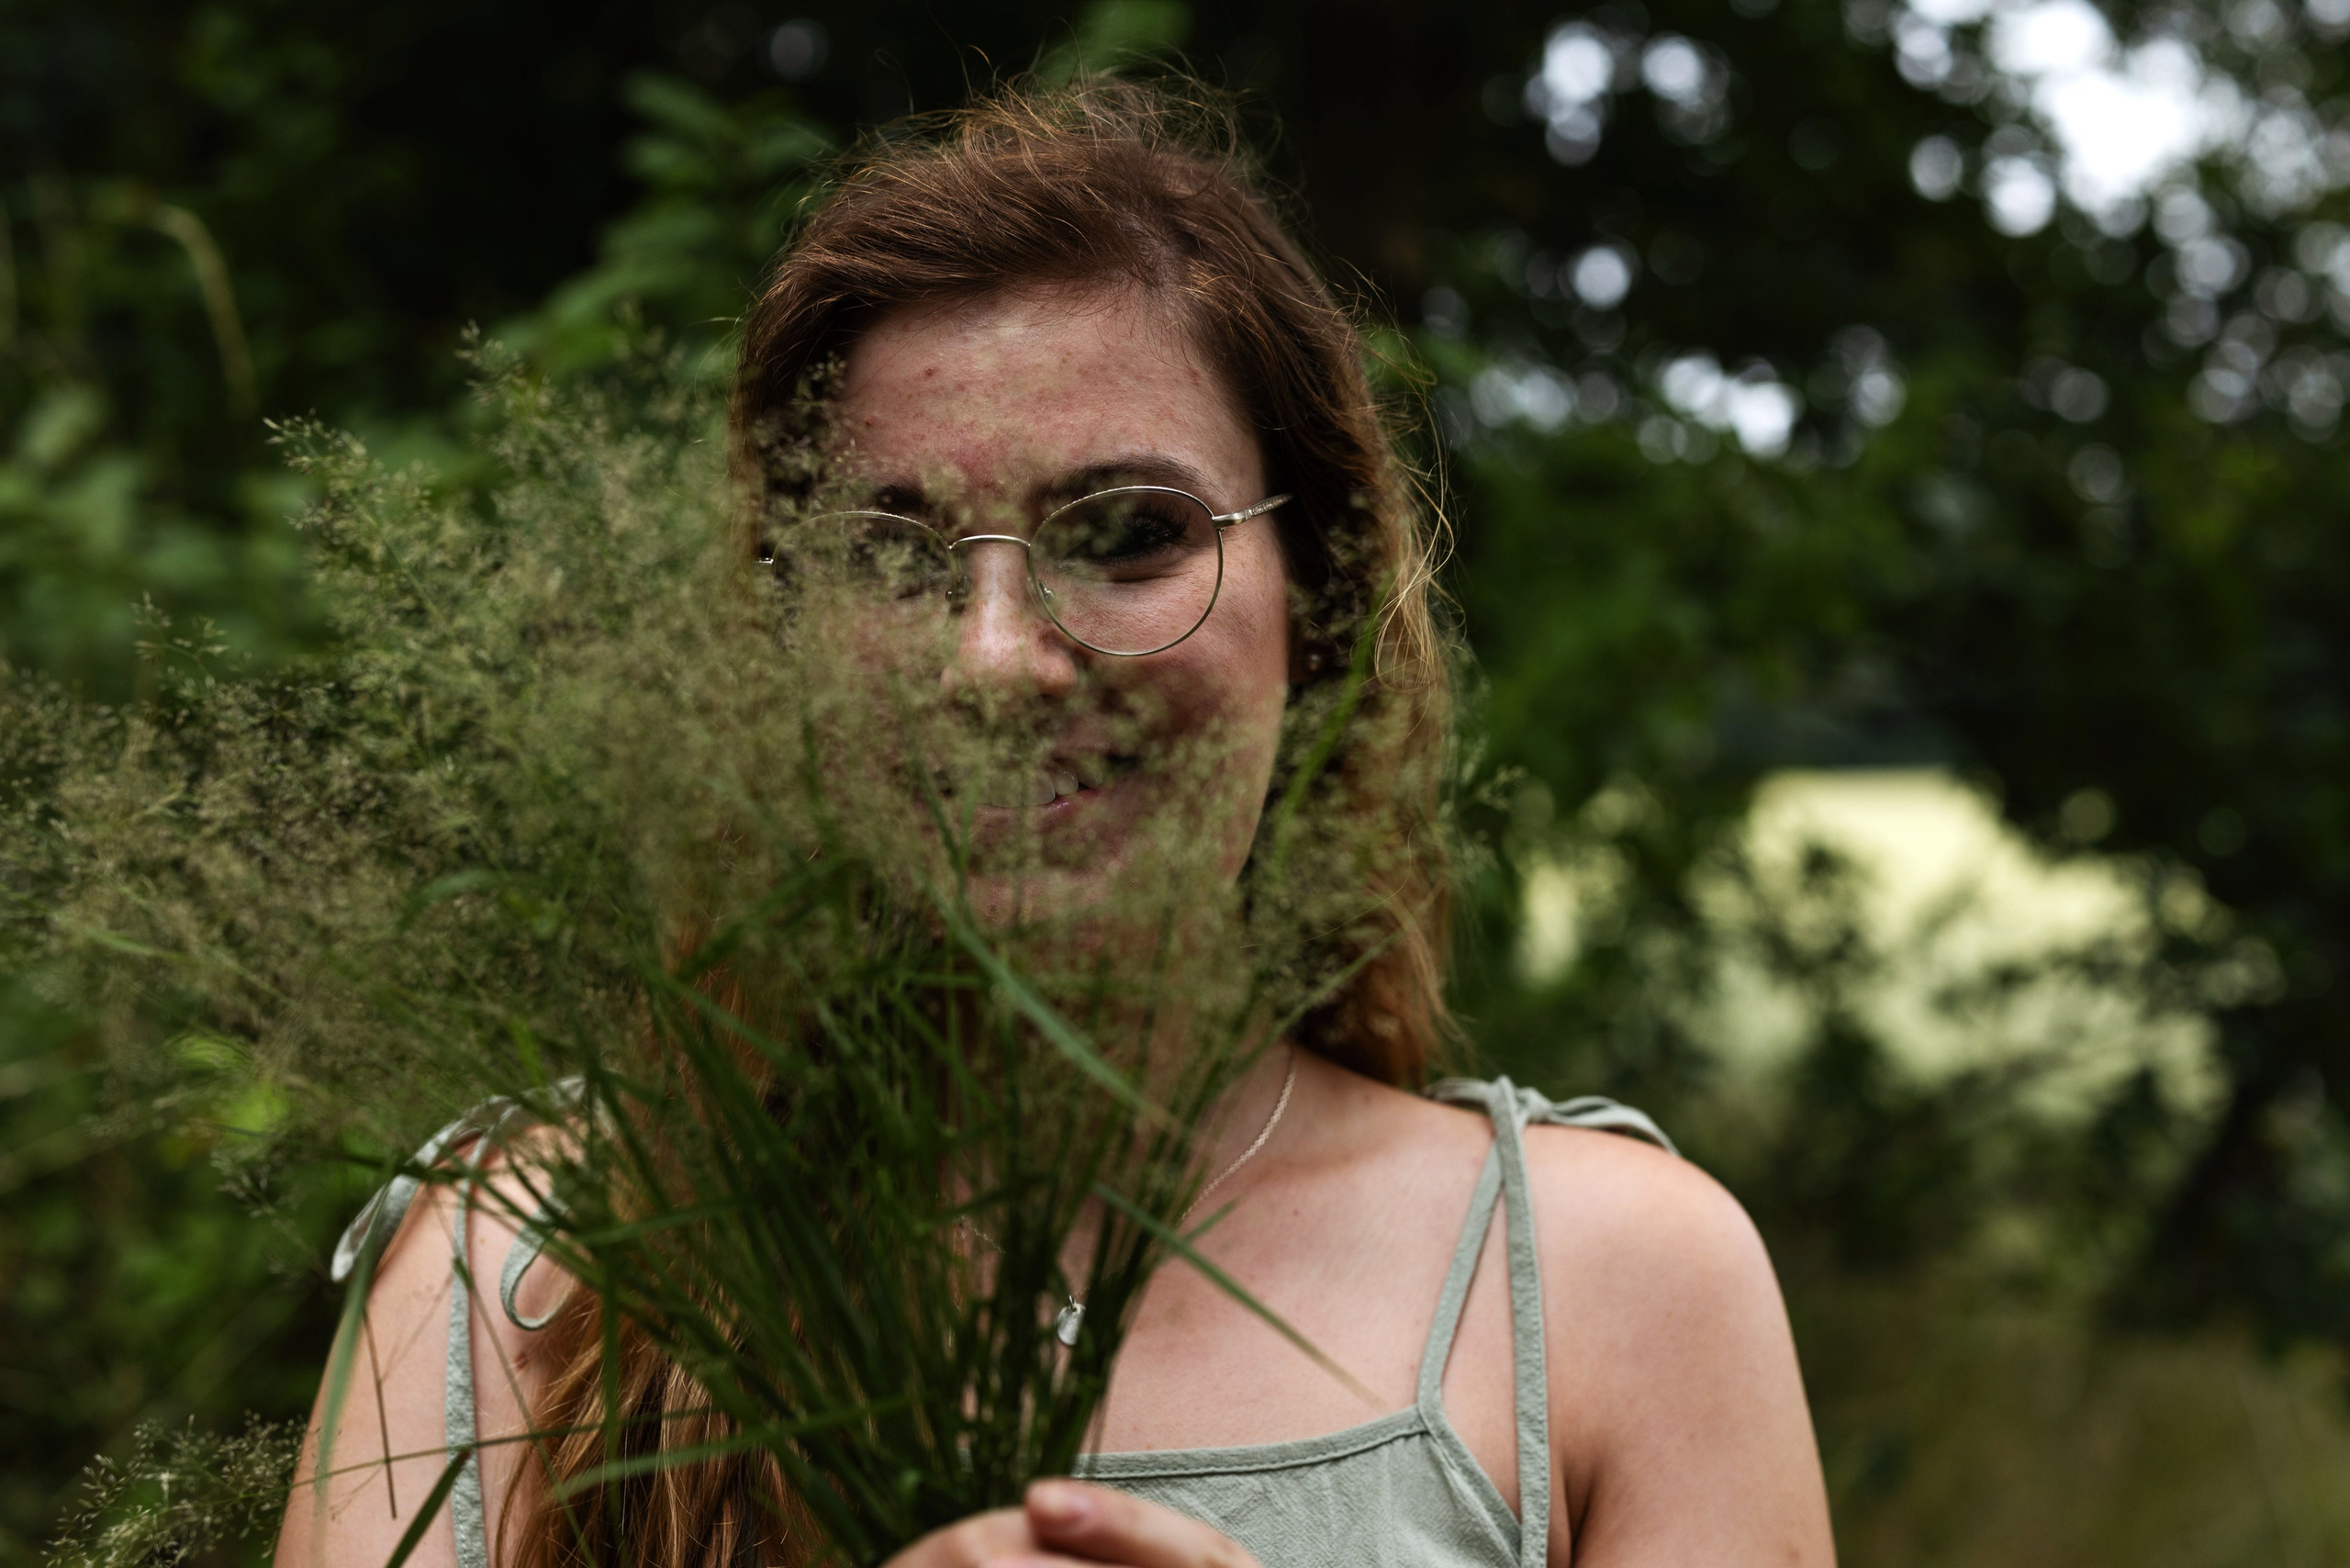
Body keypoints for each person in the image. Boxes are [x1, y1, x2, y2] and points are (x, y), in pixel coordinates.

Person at [275, 76, 1835, 1568]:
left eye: (1130, 535)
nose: (995, 657)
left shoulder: (1604, 1288)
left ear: (1325, 606)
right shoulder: (528, 1269)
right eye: (892, 555)